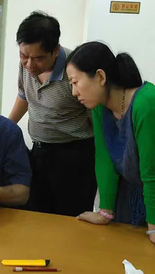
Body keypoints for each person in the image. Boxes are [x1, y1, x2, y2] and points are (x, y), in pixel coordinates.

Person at [8, 11, 96, 216]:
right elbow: (24, 96)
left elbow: (97, 119)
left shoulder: (76, 72)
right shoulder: (27, 67)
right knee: (36, 212)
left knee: (68, 217)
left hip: (74, 157)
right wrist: (5, 128)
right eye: (23, 56)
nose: (29, 64)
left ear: (55, 51)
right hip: (39, 151)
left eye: (38, 58)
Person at [66, 41, 155, 243]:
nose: (74, 92)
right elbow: (105, 157)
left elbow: (151, 173)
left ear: (100, 77)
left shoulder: (146, 104)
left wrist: (153, 228)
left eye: (75, 82)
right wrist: (104, 212)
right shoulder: (99, 107)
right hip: (129, 196)